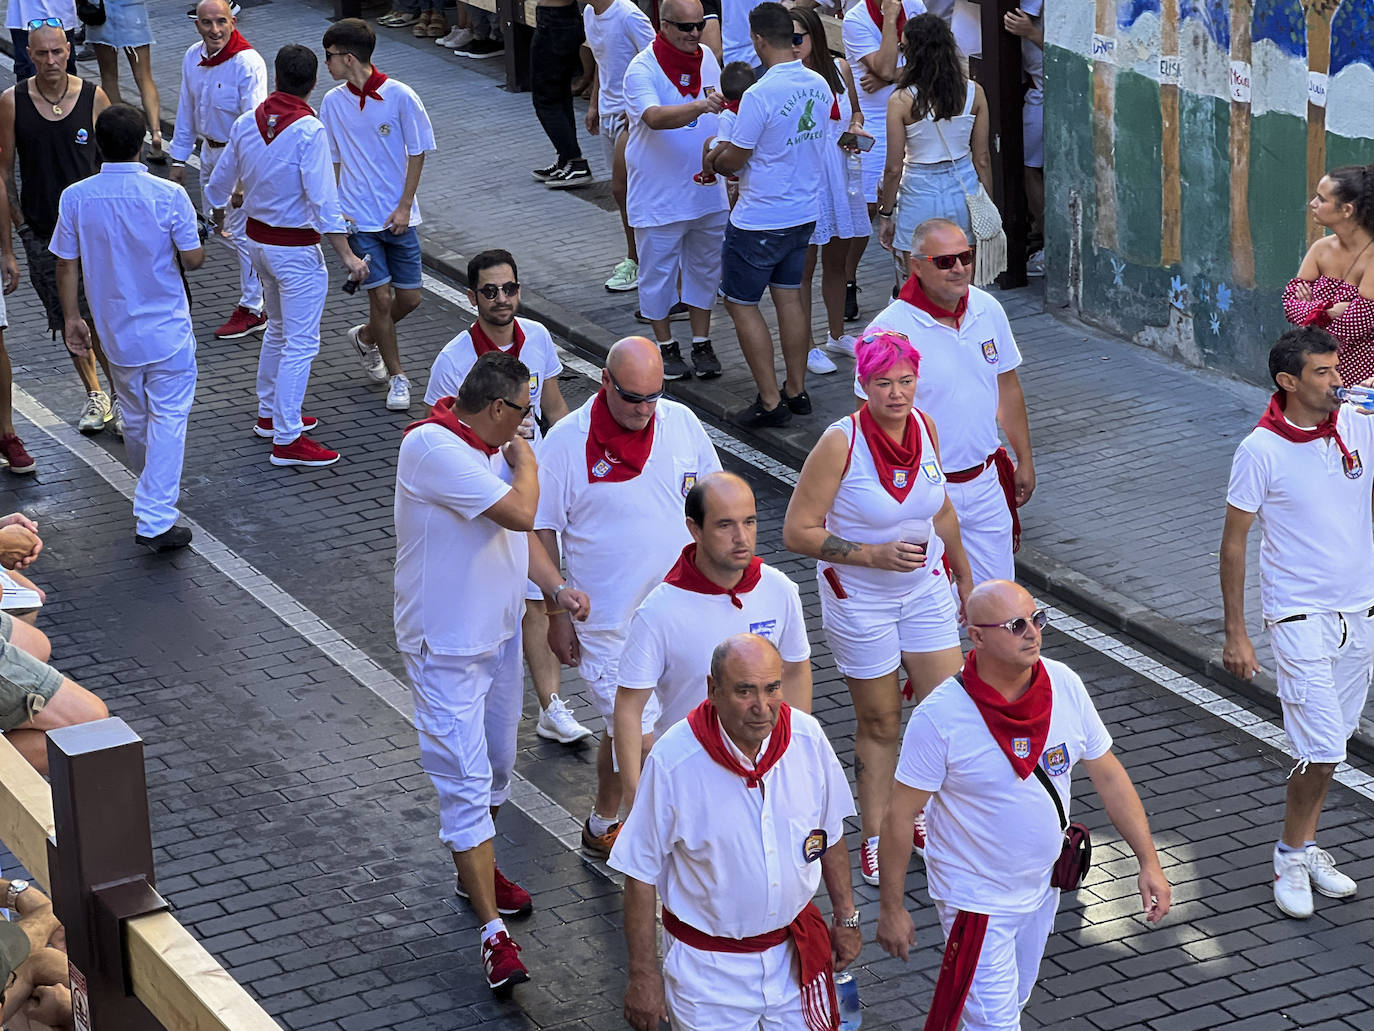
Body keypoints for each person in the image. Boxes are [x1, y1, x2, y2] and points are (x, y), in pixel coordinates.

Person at [877, 580, 1171, 1031]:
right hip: (975, 900)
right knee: (994, 1024)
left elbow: (1109, 775)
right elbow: (899, 816)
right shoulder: (940, 717)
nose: (1032, 632)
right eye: (1015, 625)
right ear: (976, 636)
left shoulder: (1065, 684)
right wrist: (892, 908)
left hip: (1041, 888)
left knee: (1010, 1004)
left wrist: (1148, 862)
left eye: (1037, 619)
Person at [393, 350, 592, 992]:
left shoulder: (487, 449)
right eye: (524, 414)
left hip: (500, 638)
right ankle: (491, 934)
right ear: (499, 408)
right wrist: (528, 463)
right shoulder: (432, 447)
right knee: (465, 781)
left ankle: (474, 865)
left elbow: (516, 539)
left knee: (500, 765)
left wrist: (556, 589)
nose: (527, 427)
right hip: (444, 650)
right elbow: (520, 513)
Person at [784, 330, 972, 886]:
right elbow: (797, 530)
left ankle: (920, 817)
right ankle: (874, 832)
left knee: (946, 713)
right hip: (860, 599)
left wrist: (963, 575)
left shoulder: (927, 428)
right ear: (862, 384)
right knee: (881, 721)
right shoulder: (840, 443)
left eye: (906, 381)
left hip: (925, 589)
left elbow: (941, 513)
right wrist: (871, 555)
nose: (896, 394)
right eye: (883, 383)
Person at [610, 633, 861, 1031]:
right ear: (713, 689)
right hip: (707, 975)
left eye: (772, 688)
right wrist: (643, 975)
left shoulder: (808, 739)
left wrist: (846, 918)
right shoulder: (675, 761)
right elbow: (640, 872)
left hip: (795, 958)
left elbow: (829, 835)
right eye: (745, 691)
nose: (762, 708)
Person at [535, 336, 721, 859]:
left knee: (632, 737)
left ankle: (601, 824)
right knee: (648, 743)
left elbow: (715, 500)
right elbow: (542, 531)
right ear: (604, 382)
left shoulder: (681, 423)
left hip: (684, 615)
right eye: (633, 397)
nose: (644, 410)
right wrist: (555, 610)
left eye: (653, 397)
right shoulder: (567, 444)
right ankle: (675, 849)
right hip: (610, 629)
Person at [1221, 326, 1374, 919]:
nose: (1338, 381)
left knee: (1330, 747)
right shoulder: (1259, 450)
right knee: (1321, 744)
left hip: (1359, 610)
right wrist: (1236, 632)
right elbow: (1234, 546)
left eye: (1338, 369)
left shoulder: (1357, 423)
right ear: (1287, 382)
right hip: (1297, 614)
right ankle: (1289, 854)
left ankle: (1305, 845)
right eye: (1323, 373)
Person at [424, 248, 593, 746]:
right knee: (507, 596)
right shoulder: (454, 360)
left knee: (539, 593)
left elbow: (555, 408)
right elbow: (441, 431)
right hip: (484, 489)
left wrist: (574, 465)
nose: (502, 299)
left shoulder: (537, 339)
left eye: (510, 288)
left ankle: (550, 705)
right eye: (490, 291)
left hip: (531, 478)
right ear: (472, 296)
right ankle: (481, 702)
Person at [205, 44, 369, 469]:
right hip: (295, 252)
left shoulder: (246, 122)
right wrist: (348, 257)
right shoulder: (310, 130)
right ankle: (287, 437)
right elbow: (323, 202)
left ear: (277, 77)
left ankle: (270, 414)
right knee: (300, 342)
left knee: (277, 330)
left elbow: (218, 186)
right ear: (313, 83)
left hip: (258, 246)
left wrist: (227, 206)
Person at [52, 104, 204, 552]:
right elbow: (193, 259)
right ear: (141, 144)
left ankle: (150, 494)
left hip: (116, 332)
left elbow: (65, 264)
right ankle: (155, 515)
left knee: (136, 418)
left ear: (99, 143)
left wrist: (72, 319)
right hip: (167, 330)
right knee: (169, 420)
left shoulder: (76, 197)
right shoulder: (169, 196)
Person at [614, 472, 812, 806]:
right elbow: (629, 707)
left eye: (749, 522)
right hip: (690, 783)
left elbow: (795, 669)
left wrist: (794, 753)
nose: (741, 537)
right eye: (725, 525)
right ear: (694, 529)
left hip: (767, 778)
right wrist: (636, 799)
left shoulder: (780, 590)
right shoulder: (659, 611)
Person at [856, 218, 1034, 586]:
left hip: (986, 484)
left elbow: (1007, 387)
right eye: (945, 261)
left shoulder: (988, 309)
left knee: (999, 605)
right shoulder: (889, 331)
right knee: (939, 613)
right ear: (915, 265)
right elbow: (867, 421)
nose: (959, 269)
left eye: (965, 257)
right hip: (925, 494)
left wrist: (1025, 459)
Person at [703, 2, 830, 428]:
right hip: (804, 212)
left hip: (760, 218)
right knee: (790, 296)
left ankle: (770, 400)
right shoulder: (818, 83)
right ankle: (797, 390)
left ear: (758, 40)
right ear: (792, 39)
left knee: (740, 303)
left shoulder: (758, 94)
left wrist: (716, 156)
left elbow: (735, 160)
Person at [0, 24, 116, 436]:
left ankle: (121, 396)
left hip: (96, 233)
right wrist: (18, 234)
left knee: (105, 315)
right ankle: (96, 394)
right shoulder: (12, 102)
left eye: (57, 52)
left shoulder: (93, 97)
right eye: (41, 54)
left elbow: (115, 161)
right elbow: (4, 171)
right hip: (45, 233)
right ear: (29, 54)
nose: (50, 61)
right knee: (70, 317)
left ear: (69, 51)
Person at [320, 18, 438, 413]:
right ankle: (398, 376)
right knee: (382, 300)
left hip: (397, 220)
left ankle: (367, 337)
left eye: (330, 57)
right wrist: (335, 213)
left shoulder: (402, 96)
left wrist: (405, 205)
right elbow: (332, 160)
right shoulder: (332, 102)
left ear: (348, 57)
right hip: (358, 221)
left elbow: (418, 151)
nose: (327, 65)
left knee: (411, 297)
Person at [623, 0, 727, 382]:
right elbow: (653, 117)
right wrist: (701, 106)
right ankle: (665, 346)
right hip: (659, 195)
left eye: (699, 25)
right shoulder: (643, 68)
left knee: (704, 271)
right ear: (662, 25)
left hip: (706, 192)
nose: (694, 34)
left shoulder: (707, 60)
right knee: (658, 276)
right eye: (685, 27)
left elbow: (724, 111)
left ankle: (701, 341)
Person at [168, 0, 268, 341]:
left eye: (221, 22)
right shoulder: (191, 58)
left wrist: (241, 179)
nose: (215, 30)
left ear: (233, 21)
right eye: (207, 23)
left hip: (238, 159)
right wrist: (179, 160)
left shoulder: (247, 63)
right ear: (196, 24)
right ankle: (265, 282)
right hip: (208, 154)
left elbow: (253, 125)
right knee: (218, 227)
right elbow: (186, 109)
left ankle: (254, 307)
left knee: (240, 232)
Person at [791, 5, 870, 375]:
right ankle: (804, 344)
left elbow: (855, 112)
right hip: (806, 179)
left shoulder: (839, 70)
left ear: (813, 38)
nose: (792, 46)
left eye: (798, 38)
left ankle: (836, 335)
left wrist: (854, 131)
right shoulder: (785, 80)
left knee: (836, 262)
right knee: (802, 269)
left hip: (838, 174)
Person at [876, 14, 991, 265]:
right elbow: (982, 159)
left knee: (918, 283)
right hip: (964, 189)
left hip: (919, 191)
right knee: (961, 280)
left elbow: (893, 168)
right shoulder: (975, 92)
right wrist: (987, 203)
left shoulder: (901, 101)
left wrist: (886, 213)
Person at [842, 0, 926, 322]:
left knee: (907, 208)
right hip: (874, 124)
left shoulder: (915, 6)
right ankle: (848, 280)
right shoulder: (856, 18)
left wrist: (889, 78)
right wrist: (890, 18)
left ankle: (901, 287)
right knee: (865, 213)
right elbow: (888, 66)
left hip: (912, 112)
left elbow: (926, 59)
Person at [582, 0, 653, 293]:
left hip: (631, 120)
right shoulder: (589, 13)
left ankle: (643, 261)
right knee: (623, 196)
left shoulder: (628, 15)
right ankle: (635, 259)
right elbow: (602, 61)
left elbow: (656, 60)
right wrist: (594, 103)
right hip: (608, 117)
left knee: (627, 192)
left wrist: (638, 108)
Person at [1283, 165, 1374, 384]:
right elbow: (1289, 304)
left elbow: (1355, 325)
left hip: (1361, 377)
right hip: (1316, 372)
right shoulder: (1321, 248)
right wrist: (1331, 311)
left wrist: (1311, 310)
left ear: (1347, 210)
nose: (1312, 204)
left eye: (1322, 199)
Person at [85, 0, 164, 162]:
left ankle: (118, 133)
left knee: (109, 77)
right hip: (132, 11)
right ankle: (156, 134)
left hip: (100, 11)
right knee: (144, 77)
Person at [530, 0, 593, 188]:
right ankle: (567, 157)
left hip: (555, 20)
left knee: (546, 99)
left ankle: (575, 160)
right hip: (562, 17)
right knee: (559, 94)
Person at [1004, 1, 1043, 275]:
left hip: (1046, 90)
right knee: (1031, 168)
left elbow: (1017, 19)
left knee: (1033, 170)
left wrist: (1031, 32)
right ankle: (1042, 238)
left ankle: (1048, 243)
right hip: (1036, 88)